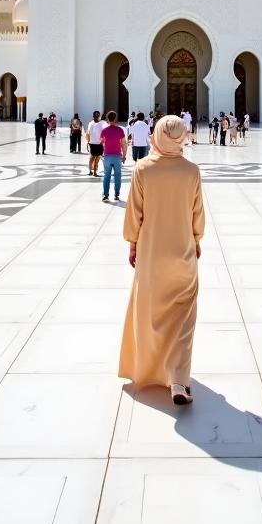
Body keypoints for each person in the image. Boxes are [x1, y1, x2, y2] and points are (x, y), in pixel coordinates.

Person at [119, 114, 205, 406]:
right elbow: (198, 213)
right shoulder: (192, 171)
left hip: (151, 252)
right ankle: (179, 379)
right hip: (182, 252)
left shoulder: (143, 169)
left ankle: (151, 370)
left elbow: (134, 213)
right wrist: (196, 239)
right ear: (182, 137)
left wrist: (133, 243)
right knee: (183, 315)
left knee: (151, 313)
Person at [101, 110, 127, 202]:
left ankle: (105, 194)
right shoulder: (120, 130)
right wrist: (124, 155)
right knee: (117, 175)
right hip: (117, 156)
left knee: (106, 175)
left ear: (107, 119)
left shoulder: (104, 130)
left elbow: (102, 142)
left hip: (107, 155)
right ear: (115, 119)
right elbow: (124, 143)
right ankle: (116, 194)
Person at [86, 110, 106, 176]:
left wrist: (102, 141)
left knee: (94, 157)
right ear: (93, 116)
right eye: (96, 115)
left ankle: (93, 172)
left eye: (97, 115)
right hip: (94, 143)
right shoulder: (92, 123)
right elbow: (88, 133)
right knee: (94, 158)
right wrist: (88, 142)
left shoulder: (101, 123)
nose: (97, 117)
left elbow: (88, 133)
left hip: (97, 143)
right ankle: (92, 171)